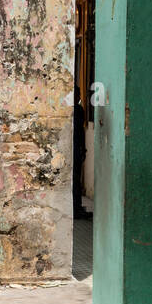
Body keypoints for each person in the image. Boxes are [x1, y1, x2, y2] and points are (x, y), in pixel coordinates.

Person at [73, 83, 87, 220]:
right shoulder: (77, 110)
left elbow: (81, 131)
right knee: (75, 180)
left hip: (76, 148)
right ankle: (76, 208)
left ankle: (77, 207)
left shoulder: (77, 110)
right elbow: (81, 131)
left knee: (76, 180)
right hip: (75, 148)